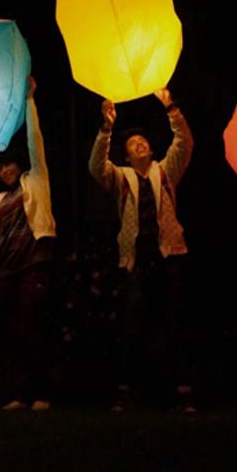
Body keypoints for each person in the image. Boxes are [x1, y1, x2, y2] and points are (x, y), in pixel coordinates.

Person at [88, 87, 196, 413]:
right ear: (127, 154)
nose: (141, 143)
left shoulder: (165, 171)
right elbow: (96, 165)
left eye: (144, 141)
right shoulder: (120, 177)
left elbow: (185, 143)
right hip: (136, 262)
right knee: (132, 328)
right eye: (134, 143)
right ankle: (126, 391)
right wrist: (106, 128)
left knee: (174, 325)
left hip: (169, 256)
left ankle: (182, 391)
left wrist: (170, 107)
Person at [0, 75, 57, 411]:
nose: (6, 170)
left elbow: (35, 141)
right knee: (15, 329)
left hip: (35, 258)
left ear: (19, 166)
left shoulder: (36, 181)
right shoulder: (1, 200)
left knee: (33, 321)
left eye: (10, 165)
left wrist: (30, 101)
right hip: (7, 266)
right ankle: (21, 393)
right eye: (1, 167)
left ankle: (42, 392)